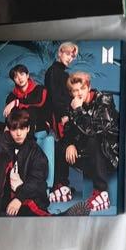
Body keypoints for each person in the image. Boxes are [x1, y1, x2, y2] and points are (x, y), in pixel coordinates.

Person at [61, 71, 119, 212]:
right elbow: (68, 129)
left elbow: (94, 130)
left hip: (110, 153)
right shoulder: (74, 105)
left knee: (93, 138)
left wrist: (78, 110)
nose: (79, 93)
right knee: (60, 144)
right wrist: (70, 144)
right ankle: (61, 186)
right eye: (75, 90)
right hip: (89, 155)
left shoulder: (104, 100)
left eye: (82, 88)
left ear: (89, 87)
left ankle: (101, 192)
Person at [0, 109, 50, 217]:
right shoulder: (4, 146)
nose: (18, 133)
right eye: (14, 129)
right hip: (6, 194)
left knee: (31, 210)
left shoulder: (35, 151)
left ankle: (63, 216)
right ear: (9, 130)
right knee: (2, 158)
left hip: (26, 192)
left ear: (28, 129)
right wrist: (3, 137)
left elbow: (36, 180)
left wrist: (19, 198)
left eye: (22, 128)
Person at [44, 43, 79, 200]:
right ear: (60, 53)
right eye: (67, 54)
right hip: (59, 116)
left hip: (63, 114)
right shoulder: (54, 72)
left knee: (63, 145)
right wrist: (63, 115)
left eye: (72, 56)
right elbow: (55, 97)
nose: (70, 58)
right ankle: (60, 183)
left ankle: (62, 182)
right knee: (62, 146)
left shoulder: (61, 72)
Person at [3, 65, 49, 133]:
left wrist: (16, 102)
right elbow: (8, 114)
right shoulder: (11, 96)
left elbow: (39, 102)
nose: (20, 78)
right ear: (14, 80)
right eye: (16, 77)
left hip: (40, 126)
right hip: (19, 130)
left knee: (31, 110)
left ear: (27, 75)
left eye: (22, 74)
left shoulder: (39, 89)